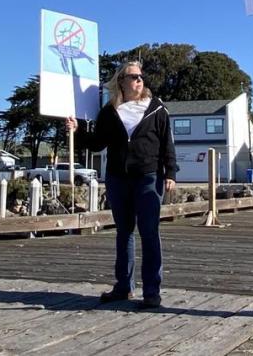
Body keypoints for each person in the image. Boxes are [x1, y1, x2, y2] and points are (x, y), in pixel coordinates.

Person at [67, 60, 177, 308]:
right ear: (121, 82)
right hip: (118, 177)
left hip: (149, 176)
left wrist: (170, 173)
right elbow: (97, 144)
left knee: (150, 233)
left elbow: (167, 144)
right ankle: (123, 287)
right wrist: (78, 129)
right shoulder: (109, 111)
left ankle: (152, 291)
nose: (139, 80)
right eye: (133, 77)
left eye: (140, 77)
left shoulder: (158, 109)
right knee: (124, 233)